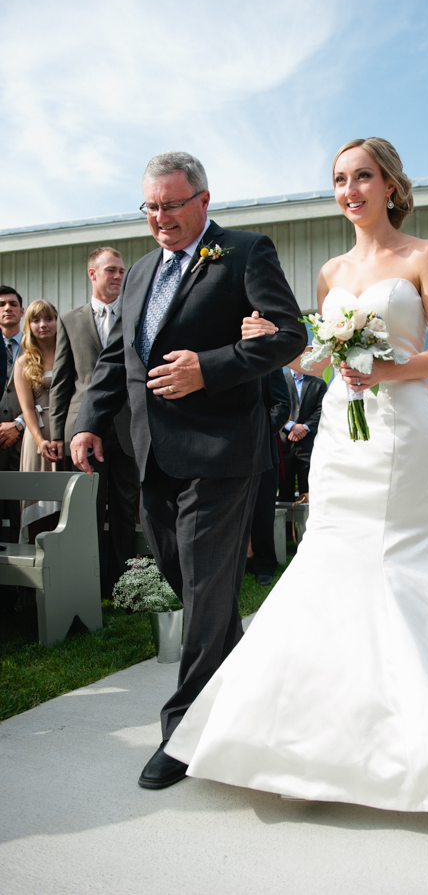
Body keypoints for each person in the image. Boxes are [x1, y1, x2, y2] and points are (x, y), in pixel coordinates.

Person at [165, 138, 428, 815]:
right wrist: (273, 342)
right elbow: (316, 361)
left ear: (390, 184)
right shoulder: (330, 271)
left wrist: (385, 371)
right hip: (342, 434)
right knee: (329, 558)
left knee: (399, 559)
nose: (349, 189)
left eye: (362, 176)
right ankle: (313, 737)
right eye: (339, 179)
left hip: (401, 430)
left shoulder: (422, 256)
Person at [70, 151, 306, 790]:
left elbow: (288, 336)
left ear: (202, 200)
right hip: (153, 457)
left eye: (171, 205)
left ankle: (185, 735)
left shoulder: (245, 252)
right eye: (149, 207)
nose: (159, 219)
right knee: (194, 584)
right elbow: (118, 357)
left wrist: (212, 365)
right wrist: (86, 421)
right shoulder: (142, 270)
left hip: (223, 452)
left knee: (205, 586)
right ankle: (242, 702)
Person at [49, 247, 139, 596]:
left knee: (124, 507)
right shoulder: (70, 321)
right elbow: (62, 381)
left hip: (129, 428)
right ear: (92, 274)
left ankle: (121, 585)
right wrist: (58, 432)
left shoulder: (136, 317)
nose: (118, 276)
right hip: (83, 430)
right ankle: (85, 583)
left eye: (121, 271)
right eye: (111, 270)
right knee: (86, 508)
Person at [13, 300, 63, 543]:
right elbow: (27, 408)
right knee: (39, 503)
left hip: (68, 433)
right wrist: (40, 440)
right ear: (28, 325)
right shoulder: (23, 362)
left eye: (49, 318)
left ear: (57, 320)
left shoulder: (70, 353)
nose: (43, 325)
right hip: (38, 439)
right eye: (36, 320)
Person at [249, 368, 291, 586]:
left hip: (262, 449)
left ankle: (265, 564)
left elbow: (282, 406)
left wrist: (257, 434)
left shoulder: (269, 365)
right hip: (223, 452)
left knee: (262, 512)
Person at [0, 287, 26, 547]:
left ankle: (24, 588)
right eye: (1, 304)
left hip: (26, 441)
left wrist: (19, 424)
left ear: (22, 310)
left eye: (12, 303)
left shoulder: (36, 346)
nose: (7, 308)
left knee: (23, 509)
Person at [278, 370, 326, 502]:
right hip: (284, 443)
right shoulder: (279, 380)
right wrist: (291, 426)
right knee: (284, 492)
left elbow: (322, 409)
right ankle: (287, 523)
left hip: (308, 445)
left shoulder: (319, 383)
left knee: (310, 492)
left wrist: (304, 428)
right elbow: (275, 405)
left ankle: (309, 523)